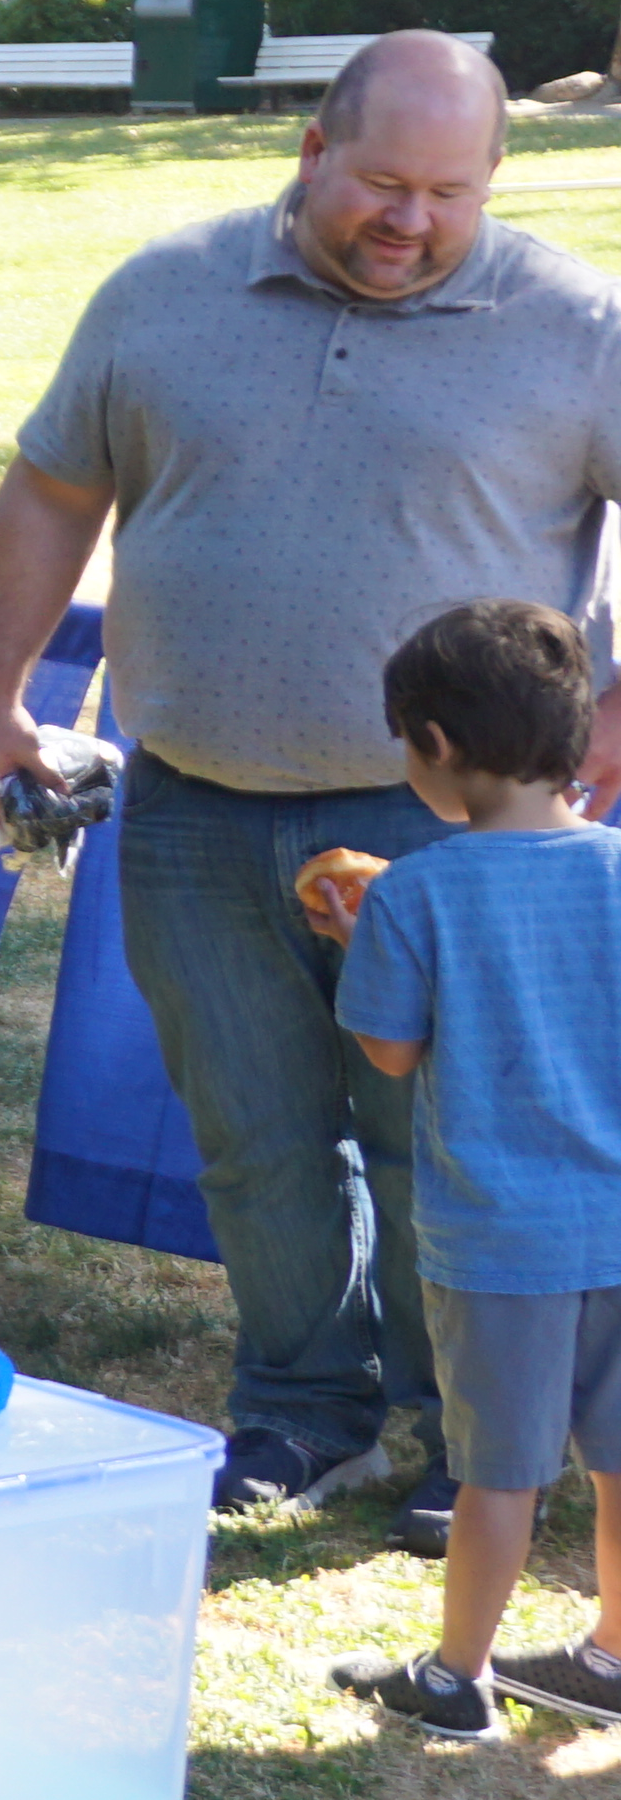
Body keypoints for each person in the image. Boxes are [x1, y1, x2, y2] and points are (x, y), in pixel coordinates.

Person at [0, 29, 621, 1543]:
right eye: (382, 182)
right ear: (311, 148)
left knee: (448, 1136)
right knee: (254, 1132)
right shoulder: (162, 293)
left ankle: (477, 1433)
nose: (411, 221)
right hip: (195, 801)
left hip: (460, 835)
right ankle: (302, 1411)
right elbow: (56, 489)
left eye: (449, 193)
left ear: (495, 184)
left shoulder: (577, 326)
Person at [323, 600, 621, 1741]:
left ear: (436, 744)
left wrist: (363, 942)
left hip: (503, 1244)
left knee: (498, 1472)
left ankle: (456, 1680)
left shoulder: (413, 892)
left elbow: (392, 1050)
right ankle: (609, 1656)